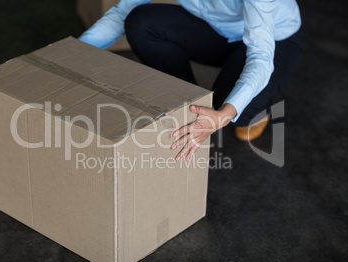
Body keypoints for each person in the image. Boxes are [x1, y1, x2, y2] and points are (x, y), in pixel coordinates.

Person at [79, 0, 302, 162]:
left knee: (233, 106)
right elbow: (122, 12)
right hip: (217, 30)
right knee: (141, 22)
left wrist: (225, 113)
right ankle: (185, 106)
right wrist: (70, 52)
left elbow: (261, 56)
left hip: (274, 39)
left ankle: (255, 109)